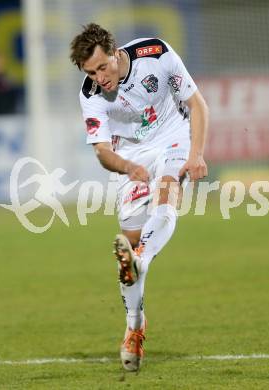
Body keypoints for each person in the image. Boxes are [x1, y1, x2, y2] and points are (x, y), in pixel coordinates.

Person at [70, 23, 208, 371]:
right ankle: (134, 325)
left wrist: (197, 155)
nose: (99, 77)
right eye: (91, 71)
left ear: (115, 52)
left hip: (174, 139)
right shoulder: (90, 95)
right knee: (129, 249)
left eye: (103, 67)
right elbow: (102, 153)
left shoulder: (156, 54)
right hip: (131, 158)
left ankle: (141, 260)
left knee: (166, 196)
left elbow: (197, 104)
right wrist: (127, 167)